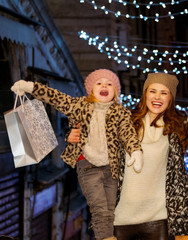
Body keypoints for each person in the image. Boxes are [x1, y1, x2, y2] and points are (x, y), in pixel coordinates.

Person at [68, 50, 188, 239]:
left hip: (158, 220)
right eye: (152, 91)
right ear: (145, 95)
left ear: (170, 98)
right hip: (119, 219)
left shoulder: (177, 128)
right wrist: (73, 135)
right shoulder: (124, 120)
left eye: (164, 93)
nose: (157, 97)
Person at [11, 69, 144, 240]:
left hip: (112, 167)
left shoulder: (121, 113)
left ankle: (108, 235)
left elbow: (128, 133)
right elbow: (55, 97)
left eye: (109, 84)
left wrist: (135, 151)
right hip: (88, 165)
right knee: (99, 208)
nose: (104, 86)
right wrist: (29, 86)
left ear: (115, 91)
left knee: (111, 207)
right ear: (90, 89)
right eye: (99, 83)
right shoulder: (79, 106)